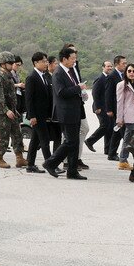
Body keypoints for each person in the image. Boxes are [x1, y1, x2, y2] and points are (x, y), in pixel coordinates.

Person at [43, 46, 86, 180]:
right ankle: (50, 162)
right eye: (72, 58)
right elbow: (61, 92)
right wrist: (78, 88)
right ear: (64, 59)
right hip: (66, 112)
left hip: (75, 111)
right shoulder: (58, 73)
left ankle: (72, 171)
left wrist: (80, 92)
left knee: (73, 142)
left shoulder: (71, 71)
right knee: (70, 141)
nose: (74, 61)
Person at [0, 52, 25, 168]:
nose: (12, 64)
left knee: (17, 134)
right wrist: (6, 110)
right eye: (10, 63)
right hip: (3, 112)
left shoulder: (9, 76)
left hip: (12, 110)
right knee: (3, 136)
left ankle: (19, 158)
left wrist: (13, 110)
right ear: (3, 64)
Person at [23, 51, 53, 172]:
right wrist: (32, 116)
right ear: (36, 63)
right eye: (43, 61)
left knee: (35, 141)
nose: (46, 63)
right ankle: (51, 164)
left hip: (43, 114)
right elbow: (29, 99)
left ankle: (30, 164)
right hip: (37, 116)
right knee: (44, 140)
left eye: (46, 61)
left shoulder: (44, 76)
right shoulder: (31, 77)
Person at [114, 62, 134, 170]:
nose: (132, 73)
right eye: (129, 71)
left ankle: (123, 160)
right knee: (132, 139)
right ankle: (127, 160)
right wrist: (119, 118)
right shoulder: (121, 85)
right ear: (126, 72)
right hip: (129, 116)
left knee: (129, 139)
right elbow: (120, 102)